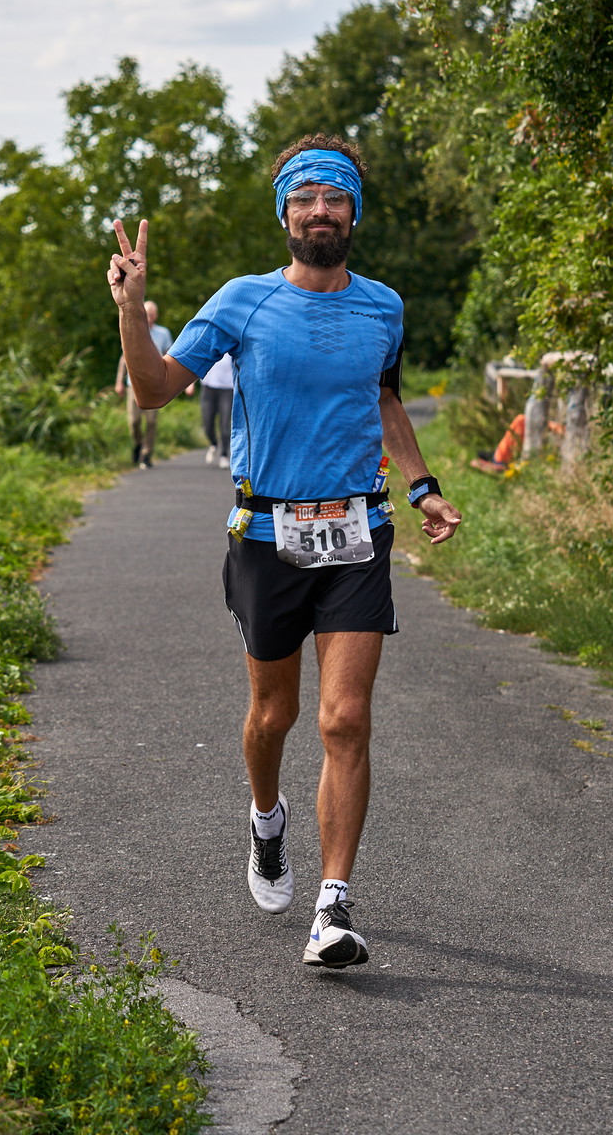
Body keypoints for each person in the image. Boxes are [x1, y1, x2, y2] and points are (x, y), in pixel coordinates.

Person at [105, 133, 463, 970]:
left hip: (357, 533)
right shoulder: (243, 301)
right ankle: (267, 820)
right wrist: (131, 308)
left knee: (345, 718)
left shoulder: (384, 307)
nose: (319, 210)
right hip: (267, 534)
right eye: (304, 198)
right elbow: (155, 390)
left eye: (334, 197)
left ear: (353, 213)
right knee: (275, 716)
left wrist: (422, 487)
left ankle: (333, 908)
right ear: (285, 216)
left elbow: (385, 399)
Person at [114, 300, 185, 469]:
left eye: (152, 314)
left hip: (154, 383)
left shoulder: (163, 333)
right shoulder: (133, 329)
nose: (149, 318)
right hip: (133, 383)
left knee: (151, 422)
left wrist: (173, 380)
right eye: (147, 314)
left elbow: (170, 355)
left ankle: (147, 454)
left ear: (156, 316)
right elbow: (124, 358)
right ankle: (138, 444)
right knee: (134, 421)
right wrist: (119, 382)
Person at [199, 351, 234, 467]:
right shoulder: (209, 344)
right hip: (208, 388)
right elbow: (197, 363)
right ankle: (214, 443)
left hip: (227, 389)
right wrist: (190, 384)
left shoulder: (232, 347)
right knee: (207, 424)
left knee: (225, 424)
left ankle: (224, 454)